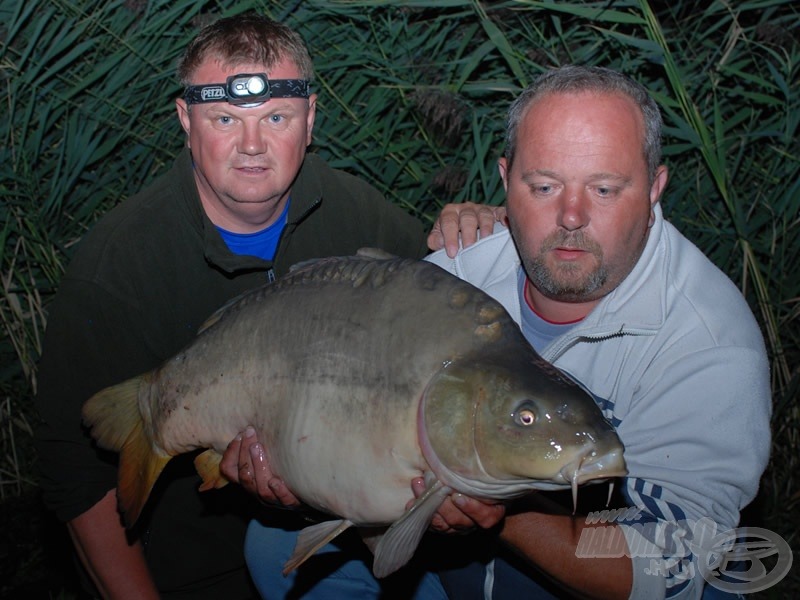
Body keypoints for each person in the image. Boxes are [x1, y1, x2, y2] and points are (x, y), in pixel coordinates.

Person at [232, 65, 772, 599]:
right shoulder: (459, 274)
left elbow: (664, 564)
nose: (571, 216)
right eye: (543, 186)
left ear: (655, 188)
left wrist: (492, 505)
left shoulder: (710, 346)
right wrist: (294, 464)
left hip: (598, 572)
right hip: (455, 573)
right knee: (274, 542)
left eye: (605, 189)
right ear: (505, 178)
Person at [34, 13, 433, 599]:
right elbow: (75, 477)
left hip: (338, 546)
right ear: (185, 121)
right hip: (195, 570)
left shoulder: (360, 217)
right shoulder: (118, 266)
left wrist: (475, 230)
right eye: (225, 119)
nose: (252, 145)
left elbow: (446, 320)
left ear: (311, 119)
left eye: (276, 118)